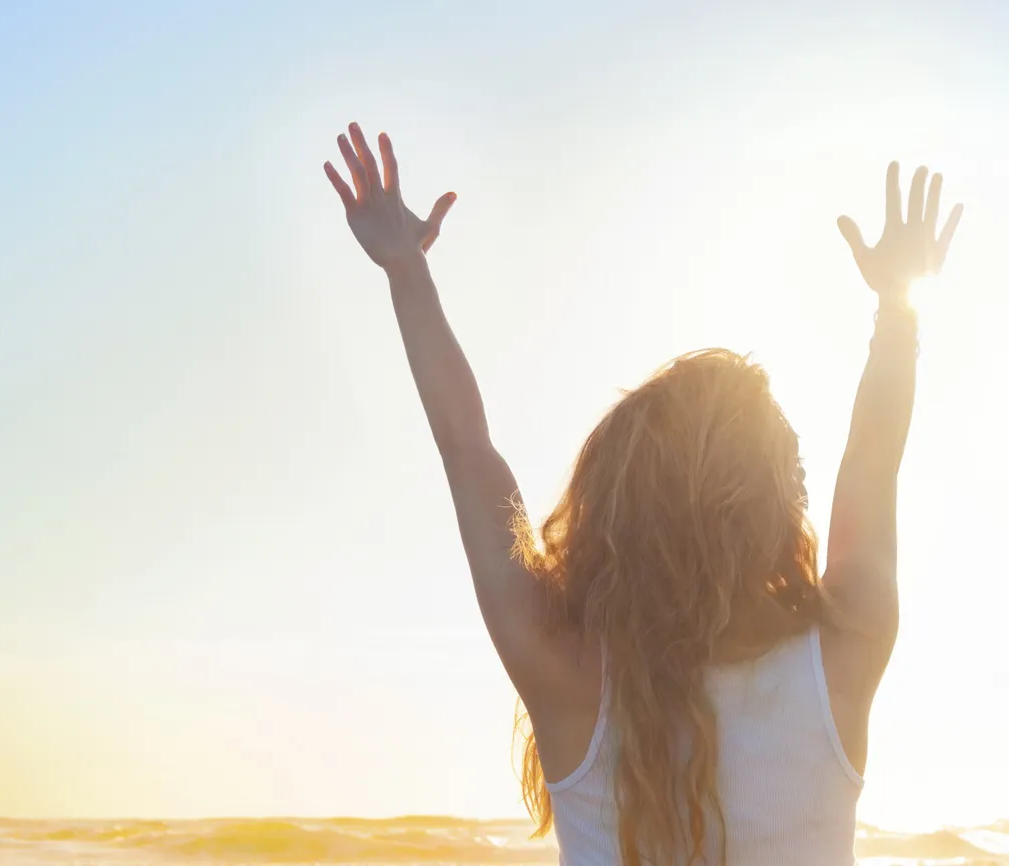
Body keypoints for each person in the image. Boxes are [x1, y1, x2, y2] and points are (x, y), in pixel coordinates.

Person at [322, 122, 962, 866]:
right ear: (761, 503)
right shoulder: (840, 654)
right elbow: (874, 458)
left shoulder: (569, 674)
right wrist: (897, 309)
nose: (804, 478)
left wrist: (407, 271)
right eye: (792, 466)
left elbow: (467, 449)